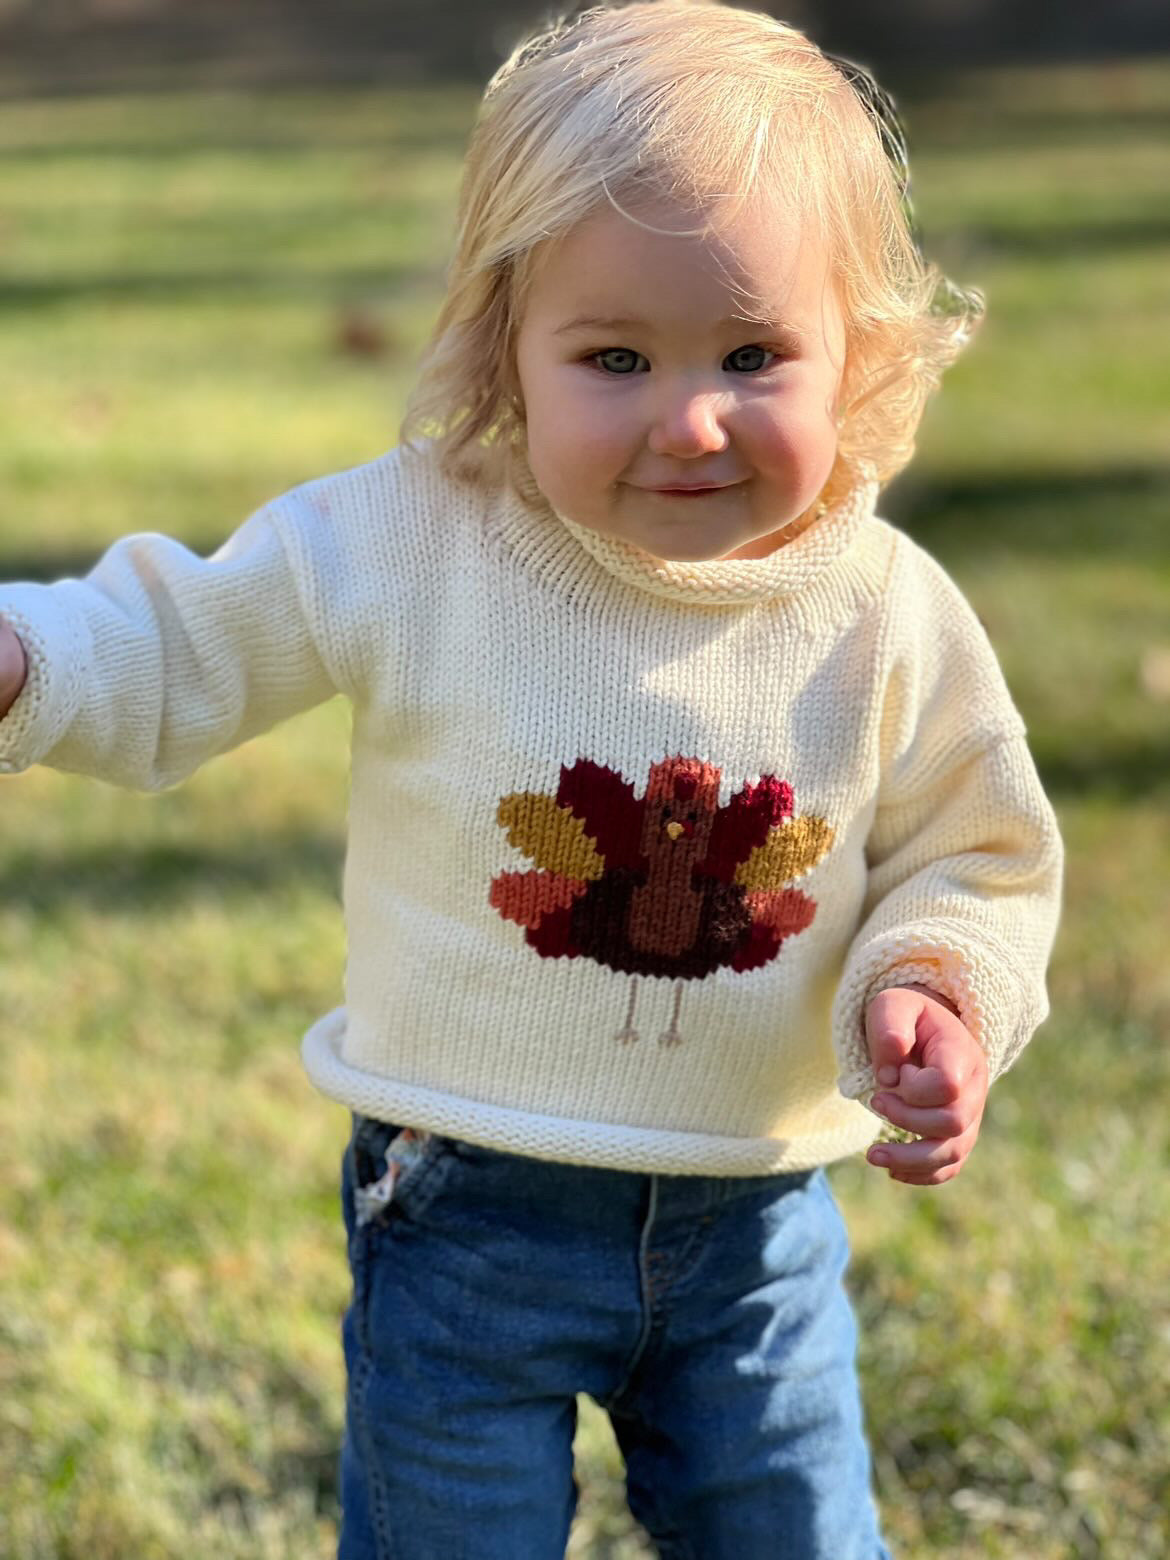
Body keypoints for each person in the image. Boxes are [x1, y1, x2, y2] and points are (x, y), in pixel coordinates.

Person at [0, 3, 1063, 1556]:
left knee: (791, 1533)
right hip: (467, 1212)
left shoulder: (882, 612)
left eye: (754, 355)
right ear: (508, 343)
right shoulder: (410, 541)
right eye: (615, 357)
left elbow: (976, 849)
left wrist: (939, 986)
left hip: (751, 1227)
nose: (688, 419)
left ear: (859, 351)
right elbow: (181, 644)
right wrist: (34, 660)